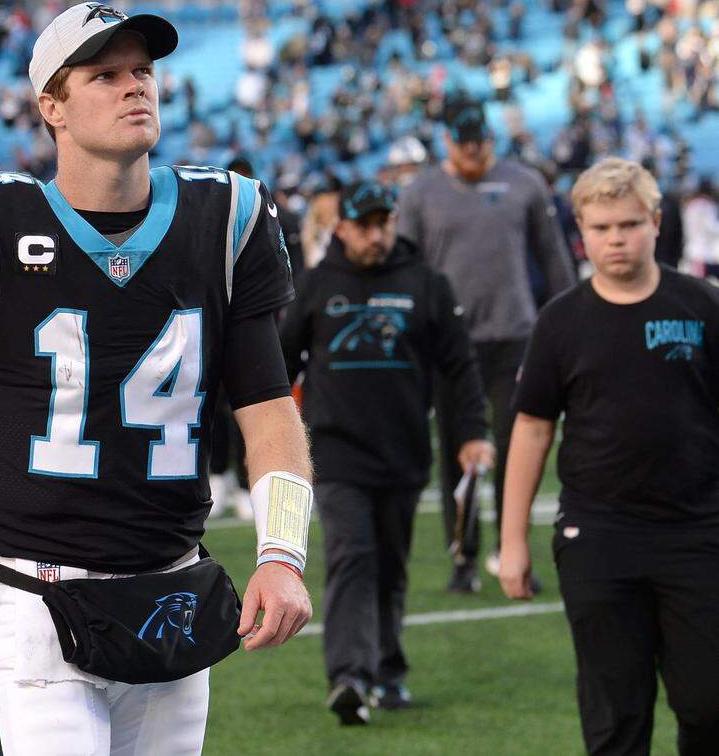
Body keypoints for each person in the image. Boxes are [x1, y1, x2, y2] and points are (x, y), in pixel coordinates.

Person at [0, 2, 314, 755]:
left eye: (143, 71)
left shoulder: (228, 215)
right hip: (36, 601)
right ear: (51, 106)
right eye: (105, 75)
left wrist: (282, 555)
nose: (134, 88)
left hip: (172, 592)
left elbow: (269, 410)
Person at [500, 157, 719, 755]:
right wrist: (512, 542)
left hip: (698, 533)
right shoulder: (560, 321)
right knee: (616, 714)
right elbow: (532, 430)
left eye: (628, 224)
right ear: (581, 231)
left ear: (655, 221)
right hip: (598, 535)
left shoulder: (702, 306)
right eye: (600, 228)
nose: (615, 239)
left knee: (708, 703)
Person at [281, 180, 493, 726]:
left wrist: (472, 430)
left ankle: (388, 670)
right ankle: (349, 675)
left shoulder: (426, 283)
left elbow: (459, 364)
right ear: (343, 228)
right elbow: (280, 361)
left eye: (385, 223)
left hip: (403, 450)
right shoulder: (316, 283)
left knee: (391, 566)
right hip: (334, 451)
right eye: (365, 225)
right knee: (352, 555)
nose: (376, 235)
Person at [397, 99, 575, 593]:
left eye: (483, 145)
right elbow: (405, 268)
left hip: (515, 338)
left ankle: (510, 549)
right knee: (461, 454)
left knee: (514, 445)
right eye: (465, 145)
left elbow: (554, 256)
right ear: (448, 142)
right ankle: (464, 556)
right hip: (450, 348)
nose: (475, 154)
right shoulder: (421, 192)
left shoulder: (524, 182)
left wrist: (570, 319)